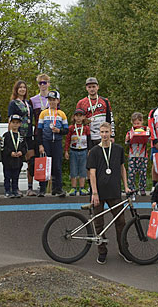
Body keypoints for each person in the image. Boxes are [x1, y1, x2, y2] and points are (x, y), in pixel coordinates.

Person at [87, 122, 131, 264]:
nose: (105, 135)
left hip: (114, 191)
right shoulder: (94, 151)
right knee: (98, 223)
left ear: (111, 132)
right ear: (99, 133)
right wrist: (94, 193)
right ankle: (102, 251)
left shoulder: (118, 149)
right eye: (102, 132)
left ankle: (123, 249)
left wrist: (126, 186)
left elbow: (122, 168)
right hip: (98, 192)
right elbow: (92, 173)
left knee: (121, 222)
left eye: (107, 132)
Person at [37, 91, 68, 197]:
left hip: (57, 142)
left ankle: (57, 189)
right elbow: (39, 131)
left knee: (57, 166)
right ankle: (42, 189)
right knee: (44, 165)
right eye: (50, 100)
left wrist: (59, 131)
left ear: (58, 101)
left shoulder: (61, 114)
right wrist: (40, 145)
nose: (52, 102)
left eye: (54, 100)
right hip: (46, 142)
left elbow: (66, 130)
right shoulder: (43, 113)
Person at [7, 80, 35, 195]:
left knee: (31, 162)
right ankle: (15, 188)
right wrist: (10, 136)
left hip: (28, 134)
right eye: (20, 87)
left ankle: (30, 188)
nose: (22, 89)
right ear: (16, 89)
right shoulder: (13, 103)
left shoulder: (28, 103)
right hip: (18, 135)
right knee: (17, 162)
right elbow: (10, 119)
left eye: (24, 87)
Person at [29, 73, 55, 196]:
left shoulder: (53, 98)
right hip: (39, 133)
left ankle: (55, 187)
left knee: (53, 160)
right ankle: (42, 188)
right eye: (40, 83)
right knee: (41, 160)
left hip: (52, 133)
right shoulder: (33, 100)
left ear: (49, 84)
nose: (43, 85)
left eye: (45, 82)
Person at [76, 77, 115, 147]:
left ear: (98, 87)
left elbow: (110, 119)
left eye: (94, 86)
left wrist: (112, 135)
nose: (92, 89)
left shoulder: (105, 101)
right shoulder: (81, 103)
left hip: (104, 135)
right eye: (89, 87)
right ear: (86, 88)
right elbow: (78, 121)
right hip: (88, 136)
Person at [64, 108, 92, 196]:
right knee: (73, 169)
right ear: (74, 117)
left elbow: (89, 139)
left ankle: (82, 188)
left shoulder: (86, 128)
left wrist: (89, 150)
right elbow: (67, 140)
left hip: (84, 151)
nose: (79, 118)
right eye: (77, 116)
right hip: (73, 151)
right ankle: (73, 188)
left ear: (84, 117)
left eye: (81, 116)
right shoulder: (71, 128)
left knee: (83, 169)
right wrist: (66, 151)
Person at [1, 114, 27, 198]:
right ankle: (7, 191)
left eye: (17, 123)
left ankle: (15, 190)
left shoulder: (22, 136)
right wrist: (10, 153)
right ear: (10, 123)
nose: (15, 124)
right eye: (13, 122)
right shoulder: (6, 135)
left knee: (16, 177)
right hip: (8, 161)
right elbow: (2, 148)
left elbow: (25, 148)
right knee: (7, 177)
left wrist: (21, 152)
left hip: (18, 161)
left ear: (20, 124)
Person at [125, 112, 150, 195]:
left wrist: (149, 133)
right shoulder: (130, 132)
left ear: (142, 121)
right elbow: (126, 143)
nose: (137, 125)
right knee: (131, 173)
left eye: (138, 123)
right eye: (135, 123)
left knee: (143, 172)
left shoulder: (146, 130)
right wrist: (128, 138)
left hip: (143, 155)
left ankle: (142, 188)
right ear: (132, 123)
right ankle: (131, 188)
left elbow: (149, 140)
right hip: (132, 155)